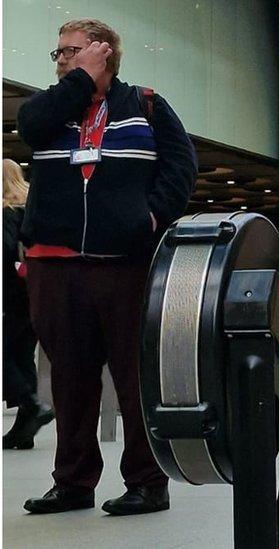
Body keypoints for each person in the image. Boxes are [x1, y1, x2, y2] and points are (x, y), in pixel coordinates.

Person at [17, 19, 196, 515]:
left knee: (133, 376)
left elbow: (182, 167)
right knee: (70, 379)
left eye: (70, 52)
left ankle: (146, 482)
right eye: (57, 54)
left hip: (125, 264)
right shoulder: (50, 106)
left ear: (103, 53)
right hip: (55, 266)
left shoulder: (146, 105)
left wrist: (151, 217)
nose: (60, 60)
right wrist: (77, 80)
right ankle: (73, 483)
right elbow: (28, 127)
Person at [2, 159, 54, 450]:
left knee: (6, 355)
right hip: (37, 288)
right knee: (22, 354)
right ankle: (24, 428)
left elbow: (6, 250)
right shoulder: (32, 208)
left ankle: (32, 404)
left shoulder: (6, 212)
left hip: (13, 292)